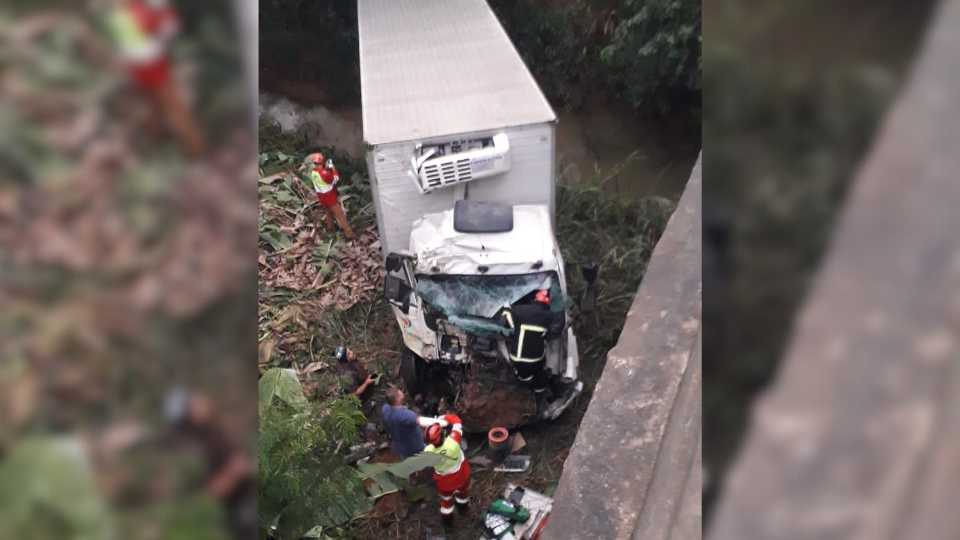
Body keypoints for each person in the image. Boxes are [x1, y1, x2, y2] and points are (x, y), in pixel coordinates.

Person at [106, 0, 206, 156]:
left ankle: (195, 148)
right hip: (142, 63)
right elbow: (167, 27)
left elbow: (169, 26)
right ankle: (181, 145)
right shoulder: (121, 11)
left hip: (149, 61)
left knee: (172, 107)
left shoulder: (135, 8)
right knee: (163, 106)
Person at [164, 388, 256, 540]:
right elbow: (210, 494)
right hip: (242, 513)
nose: (200, 401)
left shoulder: (216, 431)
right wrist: (235, 471)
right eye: (192, 403)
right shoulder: (196, 451)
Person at [500, 289, 553, 395]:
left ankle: (524, 391)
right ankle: (539, 392)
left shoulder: (519, 310)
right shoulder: (549, 316)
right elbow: (548, 334)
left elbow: (505, 323)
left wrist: (506, 308)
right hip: (537, 358)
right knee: (539, 374)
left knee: (524, 377)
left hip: (519, 359)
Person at [424, 413, 471, 524]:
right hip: (461, 476)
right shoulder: (453, 442)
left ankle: (447, 520)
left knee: (446, 500)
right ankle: (463, 508)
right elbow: (457, 421)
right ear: (443, 434)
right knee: (463, 493)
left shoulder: (428, 451)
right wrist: (444, 417)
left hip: (444, 483)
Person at [302, 152, 355, 240]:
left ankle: (330, 229)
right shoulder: (324, 173)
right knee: (340, 215)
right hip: (330, 197)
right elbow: (335, 179)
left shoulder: (313, 172)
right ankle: (349, 234)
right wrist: (332, 168)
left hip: (321, 197)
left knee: (328, 213)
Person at [381, 387, 430, 459]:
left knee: (407, 461)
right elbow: (421, 421)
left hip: (400, 445)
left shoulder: (385, 408)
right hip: (414, 446)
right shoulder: (406, 415)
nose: (401, 391)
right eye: (399, 392)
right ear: (398, 399)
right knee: (422, 459)